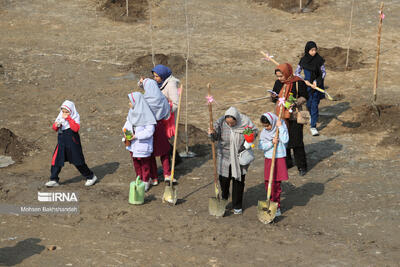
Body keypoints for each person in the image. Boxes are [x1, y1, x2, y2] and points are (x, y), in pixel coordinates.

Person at [208, 107, 258, 215]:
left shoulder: (245, 121)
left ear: (237, 119)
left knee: (238, 181)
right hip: (224, 156)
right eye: (228, 123)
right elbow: (214, 137)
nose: (230, 125)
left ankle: (237, 205)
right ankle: (225, 197)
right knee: (224, 180)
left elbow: (254, 132)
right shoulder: (221, 122)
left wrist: (249, 138)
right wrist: (212, 133)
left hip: (239, 156)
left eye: (232, 123)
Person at [46, 100, 97, 187]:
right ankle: (54, 179)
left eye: (67, 112)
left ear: (71, 111)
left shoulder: (75, 117)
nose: (64, 113)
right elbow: (54, 128)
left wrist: (68, 119)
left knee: (77, 160)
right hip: (61, 142)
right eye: (63, 111)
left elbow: (75, 128)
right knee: (56, 160)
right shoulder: (60, 117)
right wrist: (57, 124)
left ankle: (91, 176)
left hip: (72, 142)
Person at [271, 63, 308, 176]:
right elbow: (275, 97)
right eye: (278, 76)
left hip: (294, 116)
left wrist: (295, 102)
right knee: (283, 140)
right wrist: (273, 97)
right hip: (281, 116)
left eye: (281, 76)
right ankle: (287, 162)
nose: (279, 79)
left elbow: (305, 96)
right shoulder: (278, 83)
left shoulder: (298, 82)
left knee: (296, 141)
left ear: (287, 73)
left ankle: (301, 166)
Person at [123, 92, 157, 191]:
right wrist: (126, 132)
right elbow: (127, 124)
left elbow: (149, 131)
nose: (129, 103)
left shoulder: (147, 115)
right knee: (136, 164)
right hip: (132, 145)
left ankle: (146, 180)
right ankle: (139, 178)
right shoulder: (131, 112)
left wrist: (136, 136)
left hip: (143, 145)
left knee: (145, 164)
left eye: (130, 101)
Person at [141, 78, 172, 184]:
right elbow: (167, 112)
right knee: (164, 152)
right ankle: (167, 174)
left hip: (148, 128)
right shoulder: (162, 98)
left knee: (150, 153)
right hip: (159, 126)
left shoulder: (144, 100)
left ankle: (154, 178)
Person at [258, 112, 289, 218]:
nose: (266, 128)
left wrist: (280, 128)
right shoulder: (264, 132)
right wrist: (271, 142)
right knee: (268, 182)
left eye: (268, 125)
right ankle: (269, 201)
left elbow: (285, 140)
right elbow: (261, 146)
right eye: (264, 126)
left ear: (272, 122)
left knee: (276, 184)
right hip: (269, 159)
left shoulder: (280, 127)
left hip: (279, 158)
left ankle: (277, 206)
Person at [151, 64, 182, 165]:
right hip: (161, 115)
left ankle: (170, 162)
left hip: (168, 117)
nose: (155, 79)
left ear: (163, 75)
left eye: (157, 76)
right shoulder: (160, 83)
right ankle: (175, 157)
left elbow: (176, 103)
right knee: (163, 140)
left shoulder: (171, 85)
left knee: (163, 140)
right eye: (154, 76)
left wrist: (164, 113)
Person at [295, 41, 326, 136]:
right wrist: (304, 81)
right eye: (312, 50)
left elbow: (323, 72)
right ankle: (311, 116)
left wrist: (316, 82)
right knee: (308, 103)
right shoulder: (303, 60)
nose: (314, 52)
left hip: (316, 87)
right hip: (307, 87)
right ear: (307, 50)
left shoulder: (319, 60)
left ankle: (313, 126)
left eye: (315, 50)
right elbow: (297, 73)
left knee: (314, 105)